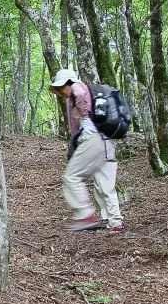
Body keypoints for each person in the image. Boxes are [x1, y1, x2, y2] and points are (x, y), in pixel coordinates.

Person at [49, 69, 125, 233]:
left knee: (71, 177)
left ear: (66, 83)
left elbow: (79, 91)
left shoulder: (77, 88)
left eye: (60, 87)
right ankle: (116, 223)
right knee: (105, 185)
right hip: (106, 141)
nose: (60, 92)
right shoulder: (87, 92)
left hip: (93, 139)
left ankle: (85, 215)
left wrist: (82, 111)